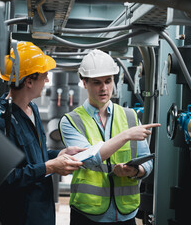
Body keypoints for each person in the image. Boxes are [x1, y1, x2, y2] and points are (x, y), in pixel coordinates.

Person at [59, 49, 161, 225]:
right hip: (88, 214)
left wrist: (136, 171)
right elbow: (90, 159)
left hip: (126, 213)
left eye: (108, 81)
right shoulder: (71, 121)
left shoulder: (130, 116)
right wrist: (126, 135)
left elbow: (147, 161)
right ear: (84, 82)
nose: (104, 88)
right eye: (97, 82)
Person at [0, 41, 85, 225]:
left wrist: (58, 154)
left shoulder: (33, 109)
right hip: (20, 216)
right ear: (29, 81)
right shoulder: (2, 119)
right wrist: (50, 167)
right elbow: (5, 178)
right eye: (44, 76)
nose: (46, 81)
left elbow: (35, 156)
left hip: (42, 211)